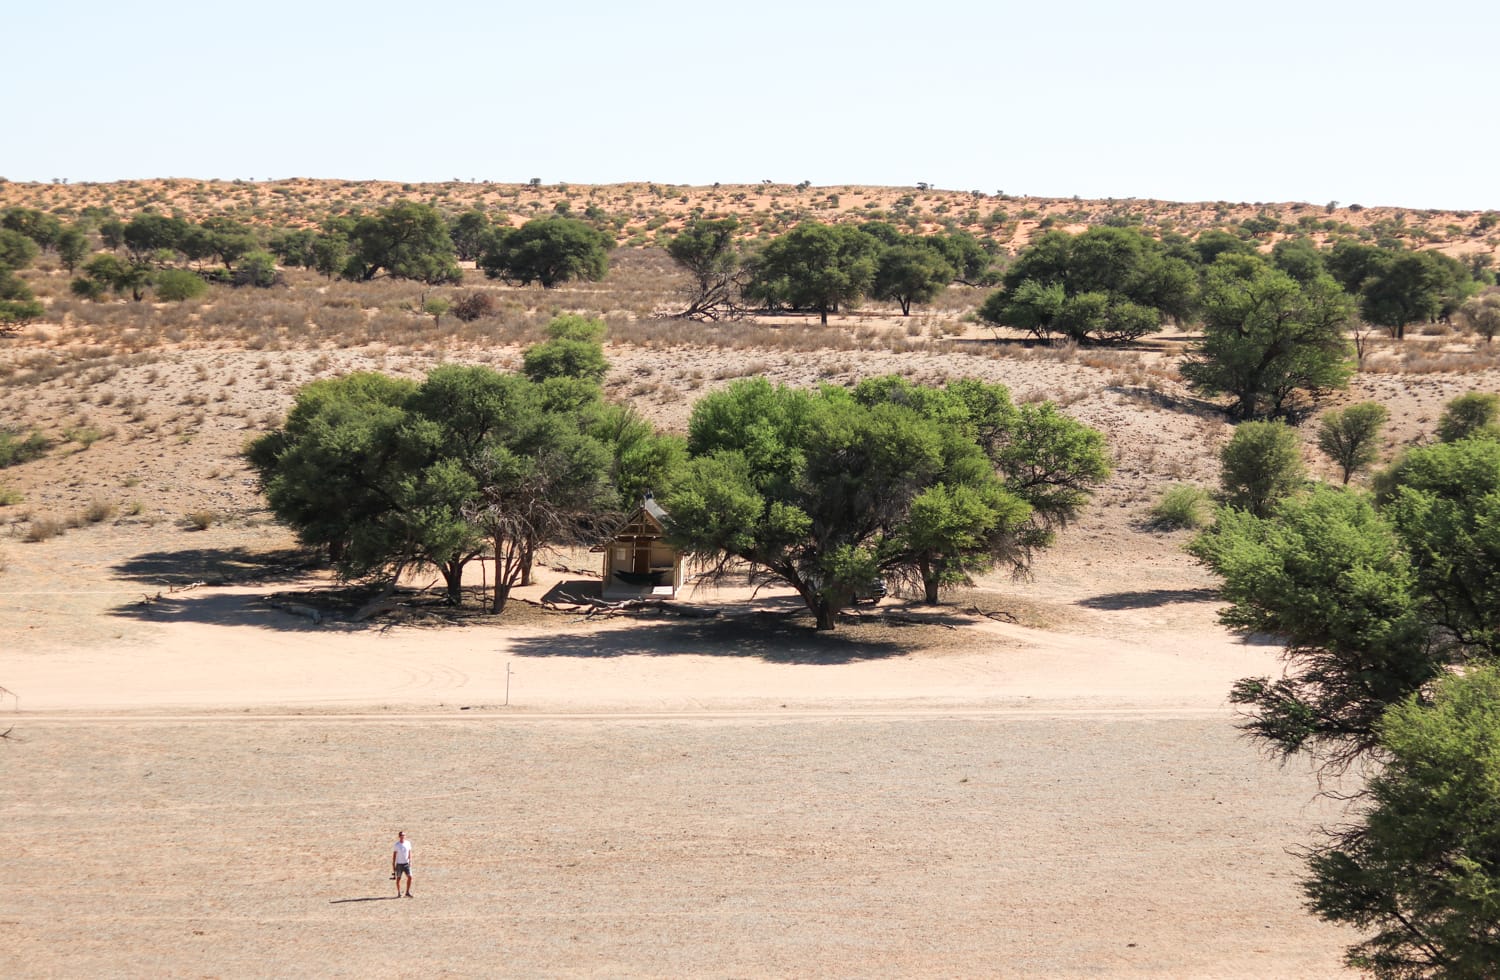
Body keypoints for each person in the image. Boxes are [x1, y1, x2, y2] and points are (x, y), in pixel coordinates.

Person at [392, 831, 412, 898]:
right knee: (398, 878)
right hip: (399, 864)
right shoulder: (397, 845)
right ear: (399, 836)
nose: (402, 836)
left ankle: (407, 892)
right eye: (401, 835)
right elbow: (394, 855)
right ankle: (399, 892)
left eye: (403, 835)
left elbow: (409, 852)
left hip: (406, 863)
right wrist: (393, 864)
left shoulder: (408, 843)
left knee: (410, 877)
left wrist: (410, 860)